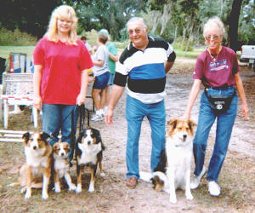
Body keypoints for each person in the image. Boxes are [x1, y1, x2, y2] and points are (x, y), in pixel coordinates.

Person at [105, 17, 176, 189]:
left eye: (137, 30)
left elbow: (171, 57)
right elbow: (119, 85)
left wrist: (161, 73)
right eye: (130, 31)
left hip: (158, 103)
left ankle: (157, 174)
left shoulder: (161, 45)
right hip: (136, 102)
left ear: (146, 29)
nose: (134, 34)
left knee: (159, 140)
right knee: (132, 139)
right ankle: (132, 174)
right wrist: (110, 108)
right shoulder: (125, 56)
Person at [183, 16, 249, 196]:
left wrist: (244, 103)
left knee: (221, 144)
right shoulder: (202, 58)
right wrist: (187, 112)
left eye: (215, 36)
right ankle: (199, 171)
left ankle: (212, 178)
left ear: (222, 37)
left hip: (229, 100)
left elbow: (236, 79)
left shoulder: (230, 54)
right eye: (208, 37)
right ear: (204, 38)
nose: (211, 40)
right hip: (209, 101)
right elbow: (196, 85)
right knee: (199, 141)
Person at [33, 5, 93, 161]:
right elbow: (37, 71)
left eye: (68, 21)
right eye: (61, 20)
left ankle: (64, 169)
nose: (65, 24)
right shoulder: (44, 43)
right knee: (50, 135)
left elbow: (84, 71)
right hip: (49, 97)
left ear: (73, 23)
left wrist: (82, 94)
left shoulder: (79, 45)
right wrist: (36, 95)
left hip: (72, 99)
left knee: (69, 134)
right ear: (56, 21)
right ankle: (51, 171)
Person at [90, 29, 110, 121]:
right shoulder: (104, 48)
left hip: (101, 74)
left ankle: (98, 113)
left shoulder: (101, 48)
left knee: (95, 93)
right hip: (105, 73)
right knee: (101, 93)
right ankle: (101, 111)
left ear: (99, 38)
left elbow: (100, 62)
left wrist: (90, 61)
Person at [98, 29, 119, 114]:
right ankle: (101, 108)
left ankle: (106, 107)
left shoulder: (111, 45)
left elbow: (116, 58)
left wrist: (107, 52)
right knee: (101, 90)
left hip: (109, 70)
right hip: (101, 70)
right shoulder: (100, 45)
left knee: (106, 89)